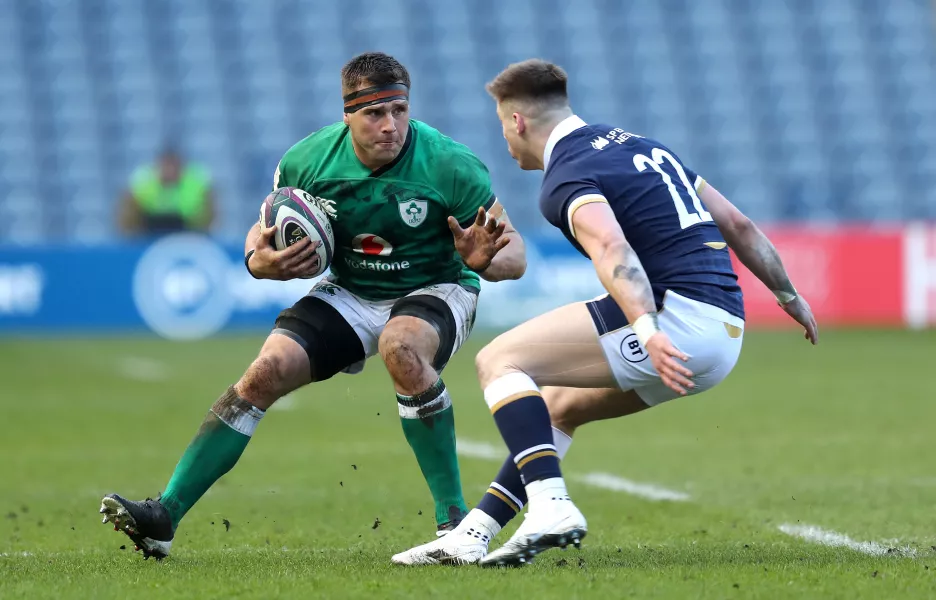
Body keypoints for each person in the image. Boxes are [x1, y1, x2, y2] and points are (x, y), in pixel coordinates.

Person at [98, 52, 527, 559]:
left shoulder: (450, 164)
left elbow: (514, 254)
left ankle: (453, 526)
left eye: (399, 110)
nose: (390, 126)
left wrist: (488, 259)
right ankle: (164, 516)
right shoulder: (307, 162)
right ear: (347, 113)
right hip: (349, 290)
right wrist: (261, 262)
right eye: (374, 114)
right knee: (265, 371)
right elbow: (260, 237)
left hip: (437, 286)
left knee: (401, 348)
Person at [391, 58, 818, 567]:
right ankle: (473, 534)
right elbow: (739, 225)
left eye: (502, 123)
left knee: (499, 361)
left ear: (517, 121)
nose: (504, 138)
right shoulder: (644, 147)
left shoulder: (567, 174)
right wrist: (789, 295)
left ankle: (551, 506)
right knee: (559, 407)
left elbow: (613, 249)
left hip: (673, 319)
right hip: (724, 334)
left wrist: (648, 328)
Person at [118, 147, 216, 236]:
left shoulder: (195, 184)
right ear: (158, 166)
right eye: (166, 165)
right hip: (147, 232)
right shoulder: (144, 184)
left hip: (187, 233)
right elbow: (128, 214)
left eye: (173, 165)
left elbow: (207, 215)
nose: (170, 170)